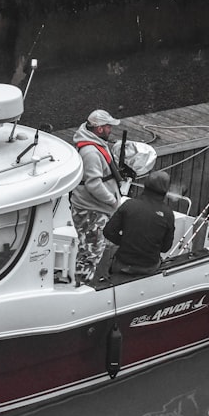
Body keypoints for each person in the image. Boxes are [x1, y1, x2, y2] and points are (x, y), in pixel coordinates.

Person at [69, 109, 124, 285]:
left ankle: (88, 282)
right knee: (90, 251)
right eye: (108, 126)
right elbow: (93, 184)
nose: (111, 130)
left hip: (95, 209)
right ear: (99, 129)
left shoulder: (94, 142)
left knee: (93, 248)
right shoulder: (90, 152)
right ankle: (81, 286)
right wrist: (113, 200)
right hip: (91, 210)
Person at [103, 169, 176, 276]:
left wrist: (124, 242)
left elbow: (108, 232)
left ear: (145, 185)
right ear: (165, 190)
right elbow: (165, 248)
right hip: (149, 268)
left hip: (123, 265)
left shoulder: (129, 205)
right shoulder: (168, 214)